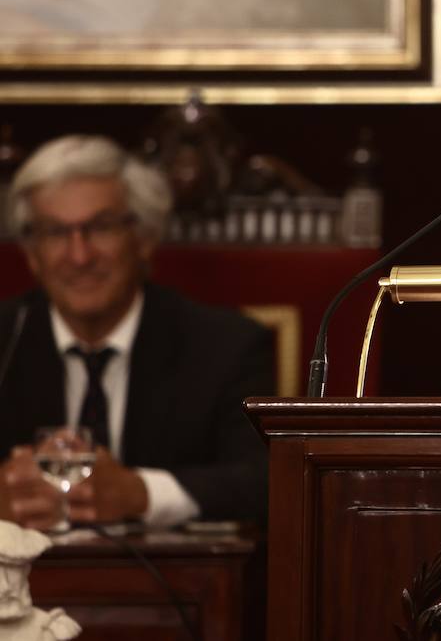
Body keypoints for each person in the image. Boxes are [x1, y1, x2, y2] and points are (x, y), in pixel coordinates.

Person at [0, 135, 273, 529]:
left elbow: (264, 482)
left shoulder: (227, 347)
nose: (79, 256)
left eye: (101, 227)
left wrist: (140, 493)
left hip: (175, 587)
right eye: (55, 232)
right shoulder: (7, 339)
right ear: (31, 253)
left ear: (144, 238)